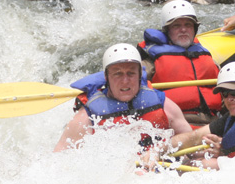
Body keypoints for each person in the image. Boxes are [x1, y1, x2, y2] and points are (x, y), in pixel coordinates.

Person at [54, 43, 193, 153]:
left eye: (131, 73)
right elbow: (60, 159)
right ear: (106, 77)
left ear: (140, 75)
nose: (125, 81)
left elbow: (191, 140)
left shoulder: (161, 103)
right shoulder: (88, 116)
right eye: (118, 74)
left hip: (161, 168)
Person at [138, 0, 222, 126]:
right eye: (176, 26)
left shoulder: (207, 58)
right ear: (167, 31)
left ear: (194, 29)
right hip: (176, 125)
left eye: (188, 25)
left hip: (213, 124)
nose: (183, 29)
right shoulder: (151, 62)